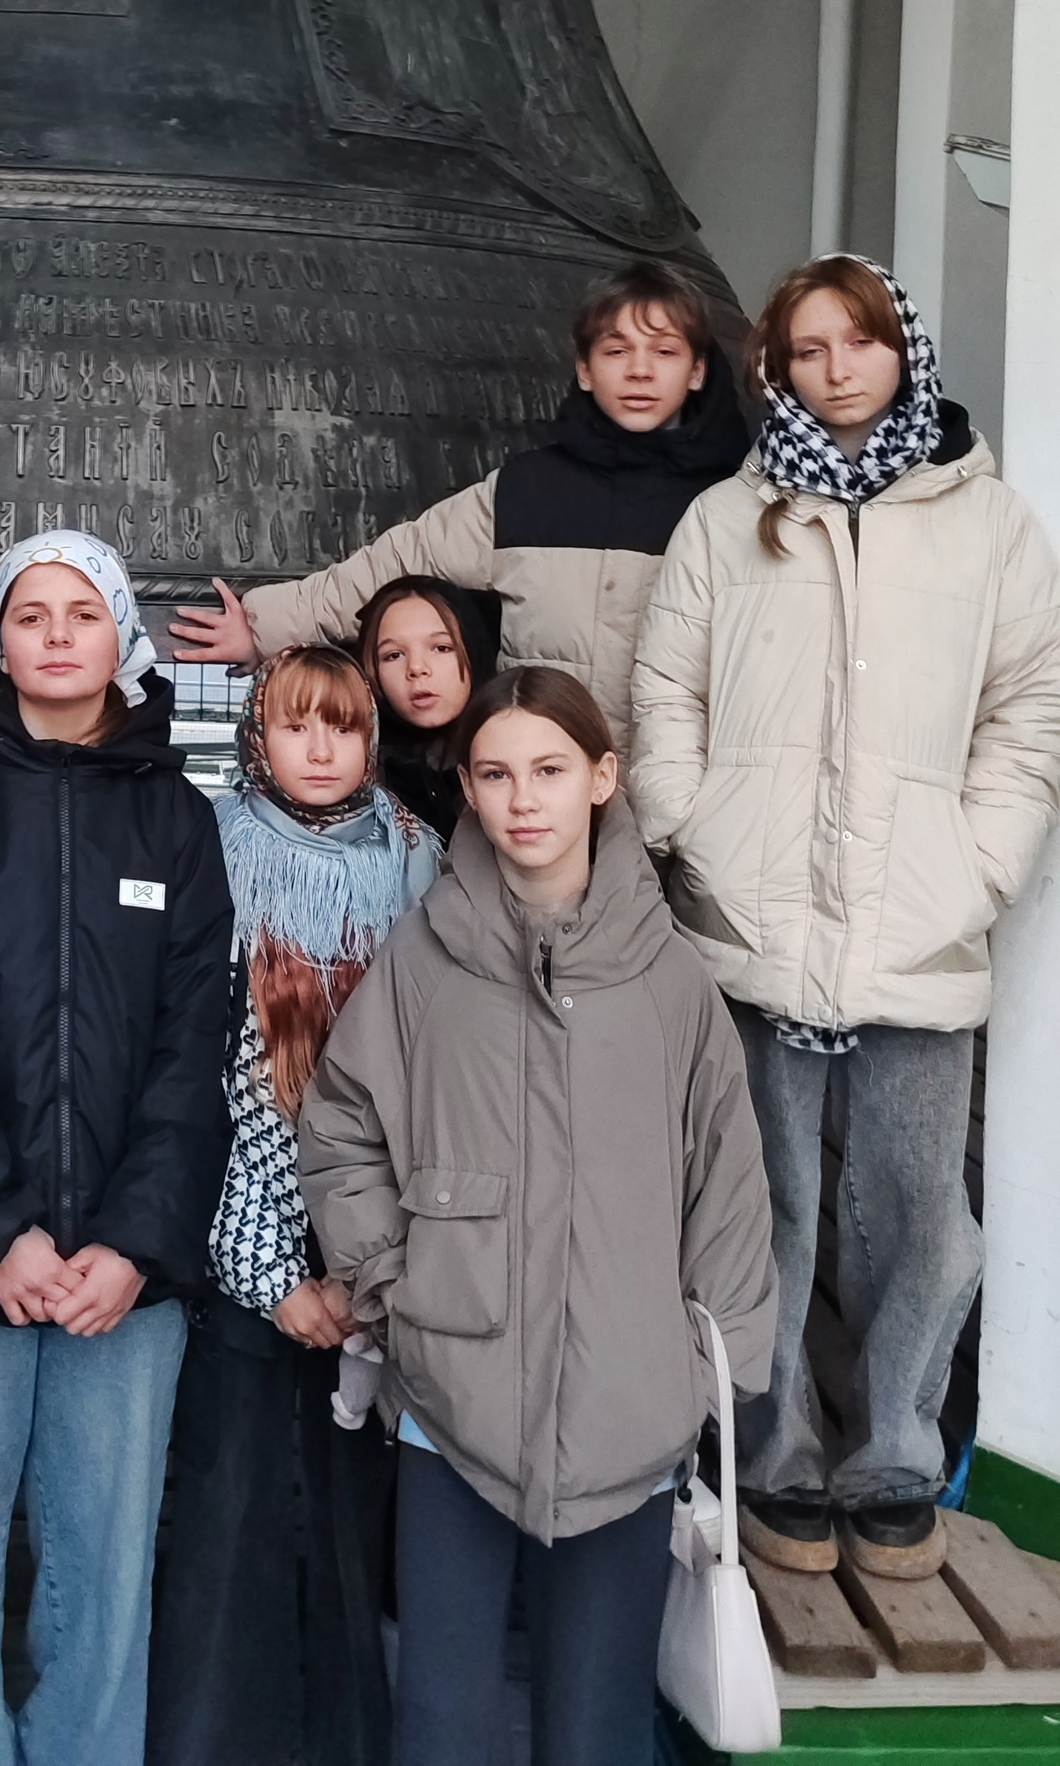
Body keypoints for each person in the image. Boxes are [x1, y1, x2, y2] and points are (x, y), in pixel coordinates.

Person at [634, 255, 1060, 1579]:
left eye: (859, 342)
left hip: (917, 926)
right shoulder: (728, 520)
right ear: (778, 369)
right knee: (764, 1203)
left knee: (918, 1215)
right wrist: (694, 828)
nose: (836, 370)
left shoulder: (991, 525)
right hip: (755, 921)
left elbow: (1026, 708)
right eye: (807, 350)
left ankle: (894, 1455)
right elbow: (666, 690)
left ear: (902, 351)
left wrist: (979, 866)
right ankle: (776, 1452)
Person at [299, 666, 775, 1766]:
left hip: (628, 1415)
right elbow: (341, 1125)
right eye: (497, 773)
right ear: (467, 787)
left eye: (551, 770)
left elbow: (729, 1187)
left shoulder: (670, 981)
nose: (525, 800)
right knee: (442, 1723)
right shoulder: (424, 961)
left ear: (601, 778)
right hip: (451, 1406)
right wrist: (395, 1289)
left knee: (596, 1729)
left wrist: (701, 1373)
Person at [0, 529, 235, 1766]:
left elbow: (194, 1049)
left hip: (123, 1279)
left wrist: (134, 1243)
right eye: (30, 614)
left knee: (106, 1570)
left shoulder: (175, 816)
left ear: (120, 634)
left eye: (81, 613)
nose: (54, 636)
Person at [148, 647, 440, 1766]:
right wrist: (269, 1272)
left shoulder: (419, 864)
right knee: (231, 1515)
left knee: (355, 1525)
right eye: (294, 724)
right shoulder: (212, 852)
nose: (320, 748)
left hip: (374, 1256)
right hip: (239, 1245)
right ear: (256, 738)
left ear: (372, 738)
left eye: (343, 725)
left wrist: (371, 1266)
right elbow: (199, 1074)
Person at [170, 259, 751, 758]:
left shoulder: (730, 506)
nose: (640, 370)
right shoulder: (525, 492)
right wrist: (264, 626)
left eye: (664, 351)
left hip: (669, 802)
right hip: (531, 792)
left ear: (698, 370)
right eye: (616, 350)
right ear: (583, 367)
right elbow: (396, 563)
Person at [354, 573, 502, 840]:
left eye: (441, 648)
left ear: (474, 651)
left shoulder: (517, 753)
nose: (416, 668)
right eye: (394, 655)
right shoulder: (355, 772)